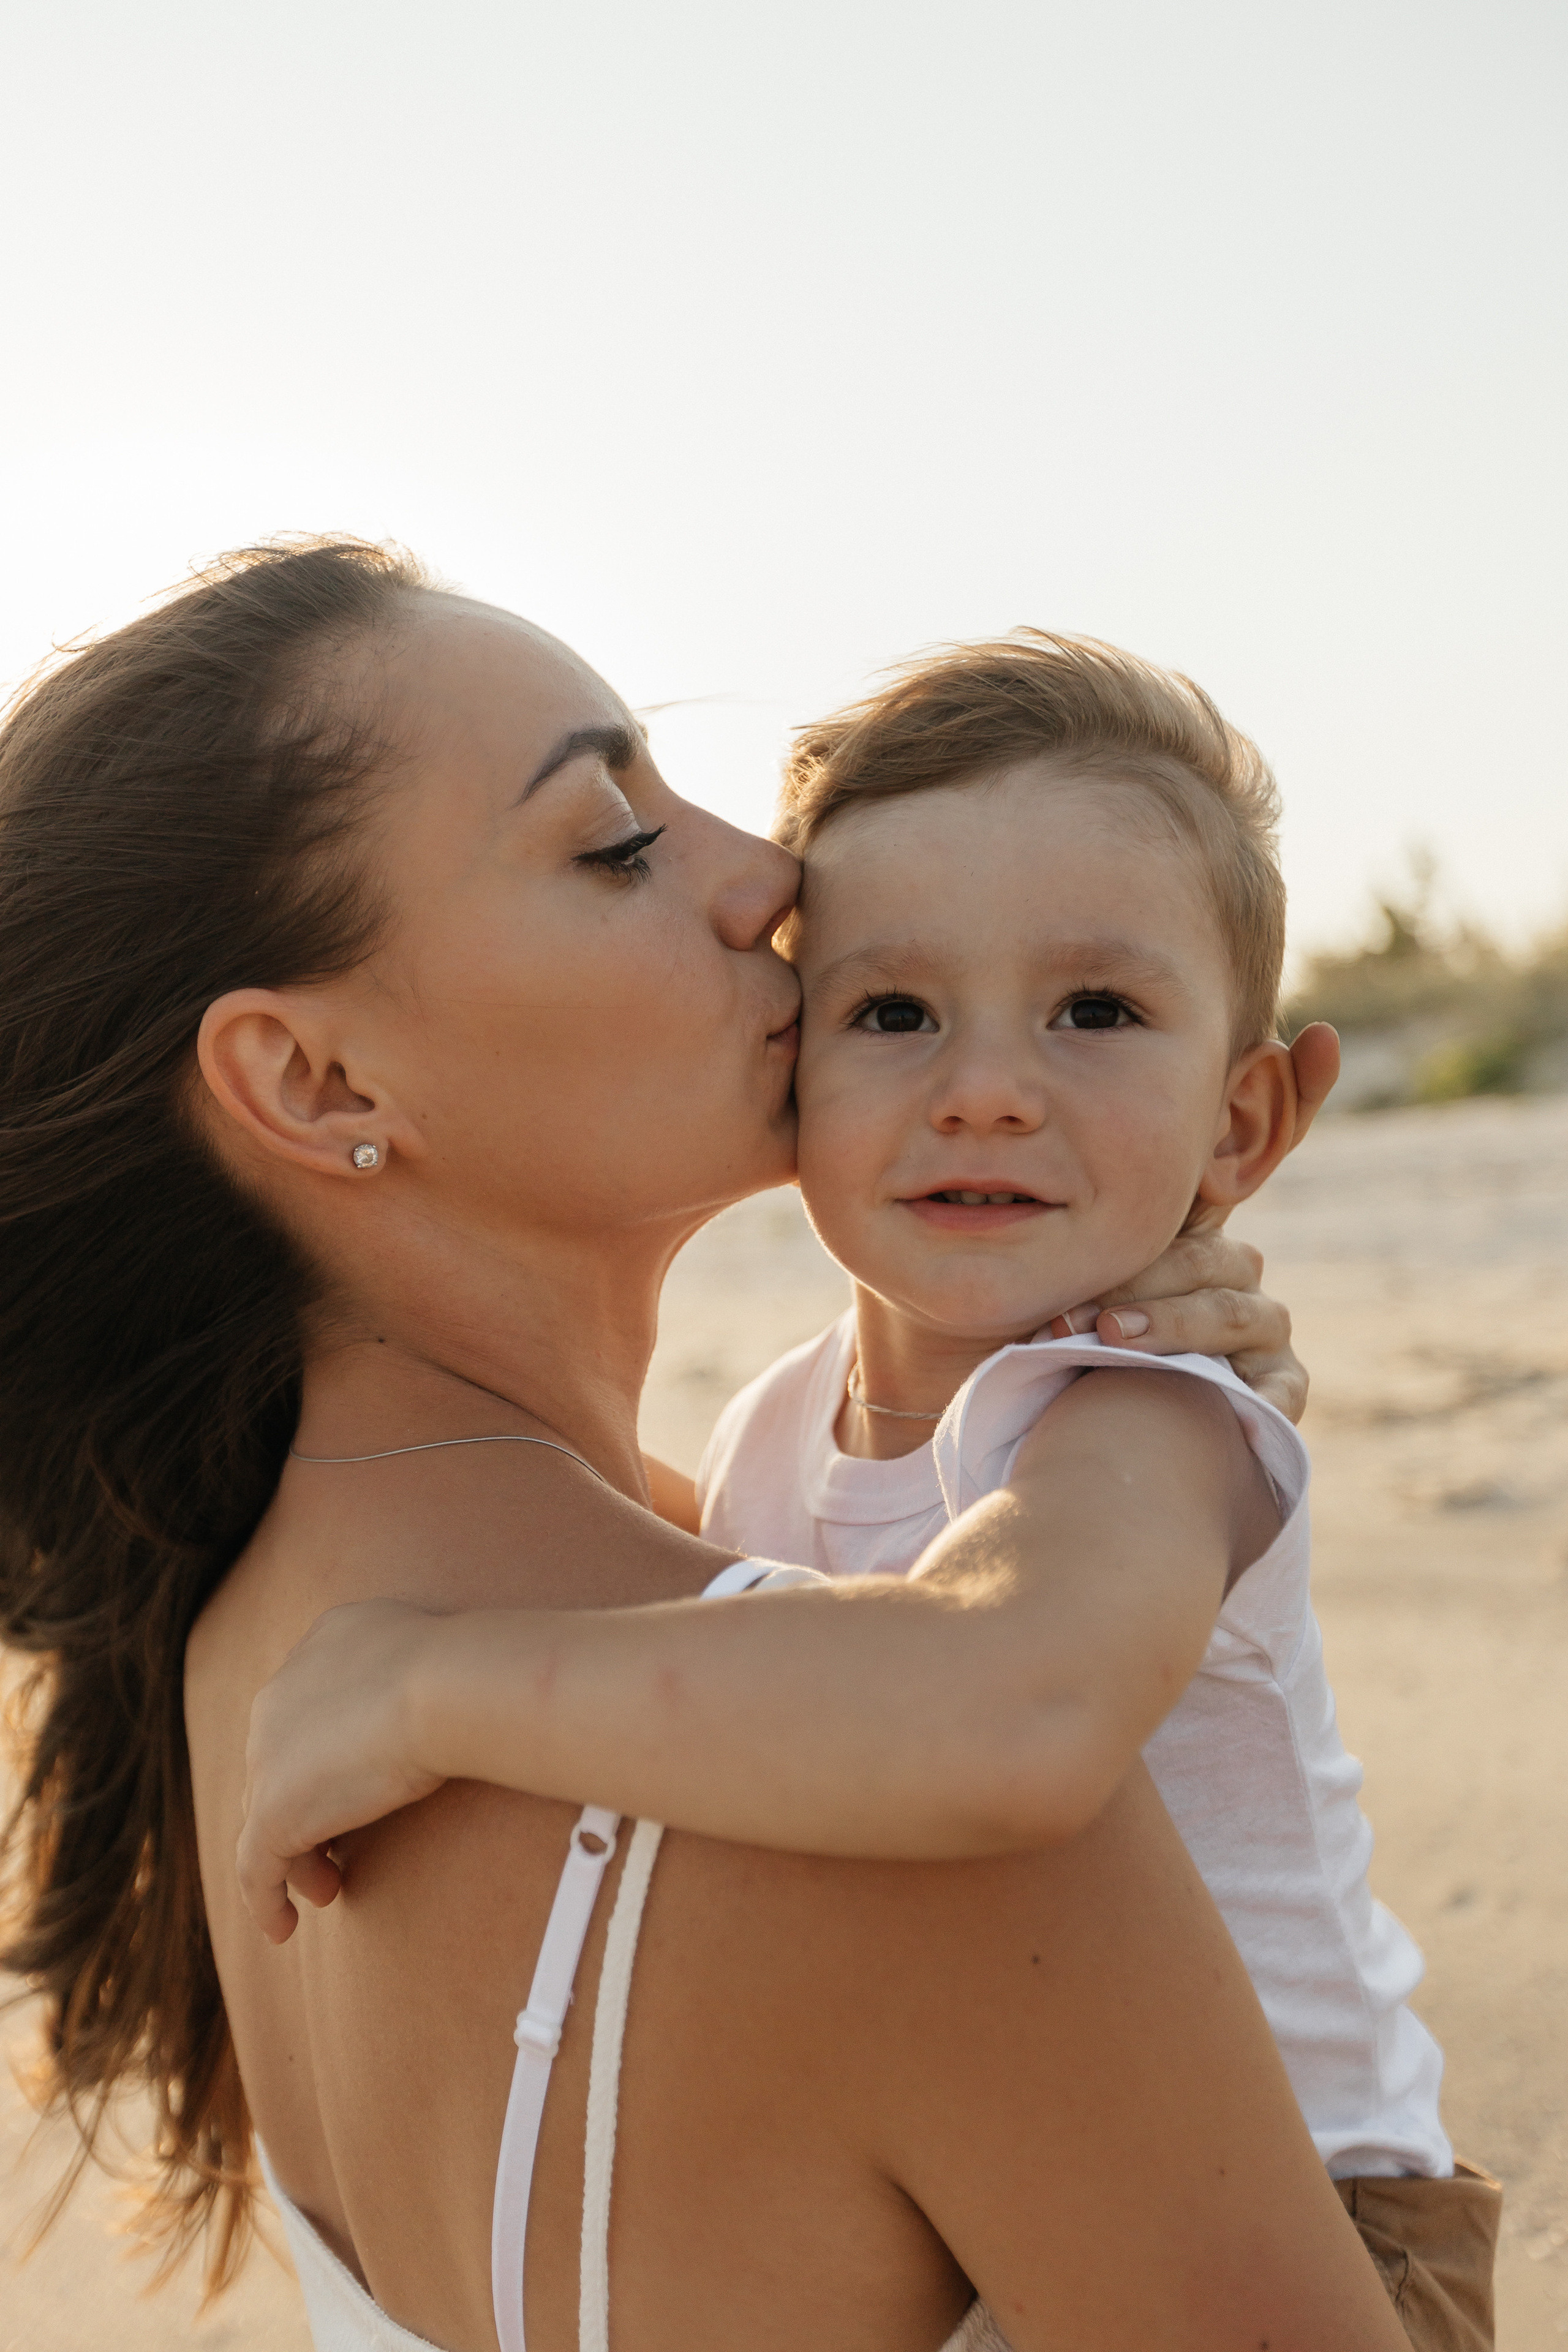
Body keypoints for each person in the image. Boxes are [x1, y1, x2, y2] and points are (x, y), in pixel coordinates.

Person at [0, 540, 1404, 2352]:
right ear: (321, 1085)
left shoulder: (235, 1647)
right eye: (616, 841)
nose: (770, 879)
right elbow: (989, 1695)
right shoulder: (892, 1791)